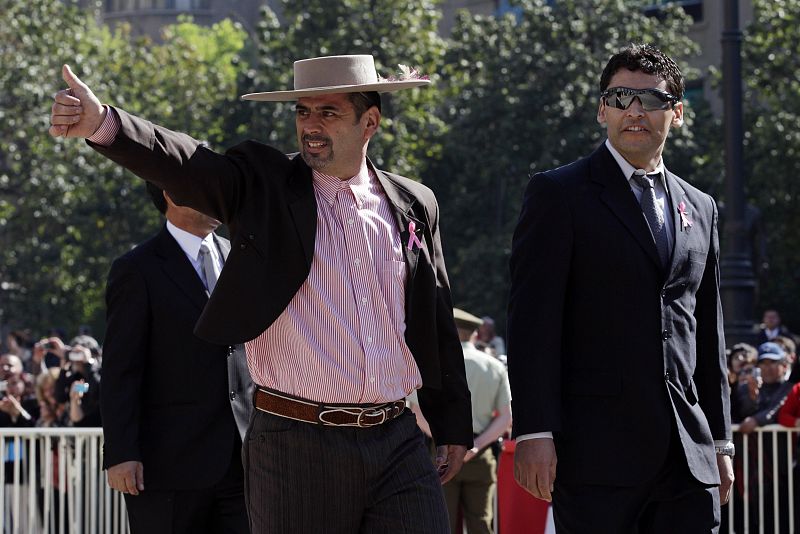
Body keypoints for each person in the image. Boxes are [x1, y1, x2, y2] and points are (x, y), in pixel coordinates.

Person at [50, 53, 472, 533]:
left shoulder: (414, 203)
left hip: (397, 439)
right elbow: (189, 164)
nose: (310, 125)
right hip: (296, 443)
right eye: (302, 111)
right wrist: (104, 124)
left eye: (327, 113)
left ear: (369, 121)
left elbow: (435, 317)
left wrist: (453, 424)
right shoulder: (264, 187)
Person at [507, 44, 733, 533]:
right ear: (601, 109)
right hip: (595, 459)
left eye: (650, 100)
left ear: (676, 113)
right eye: (621, 97)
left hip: (688, 461)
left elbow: (707, 337)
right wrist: (534, 430)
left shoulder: (703, 208)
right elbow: (532, 324)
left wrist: (719, 442)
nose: (635, 111)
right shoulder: (558, 194)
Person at [99, 183, 254, 534]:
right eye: (205, 180)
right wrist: (121, 453)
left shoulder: (240, 256)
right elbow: (121, 370)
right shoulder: (136, 269)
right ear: (171, 192)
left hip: (242, 461)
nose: (219, 192)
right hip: (167, 467)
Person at [442, 309, 511, 534]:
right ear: (474, 334)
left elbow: (417, 412)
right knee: (481, 524)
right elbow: (506, 417)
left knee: (441, 523)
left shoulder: (436, 362)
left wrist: (448, 440)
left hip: (441, 453)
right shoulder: (495, 366)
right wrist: (477, 445)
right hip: (480, 455)